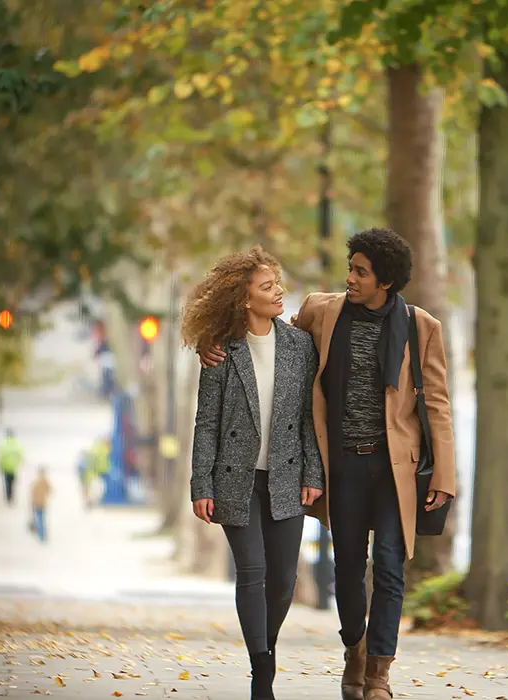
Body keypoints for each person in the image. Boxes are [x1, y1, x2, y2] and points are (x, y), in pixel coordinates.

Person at [199, 228, 456, 700]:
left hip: (396, 469)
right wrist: (212, 346)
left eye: (361, 271)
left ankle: (378, 673)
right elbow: (271, 346)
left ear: (387, 282)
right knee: (347, 568)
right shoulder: (322, 310)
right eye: (350, 268)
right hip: (343, 466)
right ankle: (354, 651)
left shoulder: (422, 327)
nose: (350, 278)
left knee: (390, 564)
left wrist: (445, 475)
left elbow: (437, 403)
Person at [184, 247, 324, 700]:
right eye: (267, 287)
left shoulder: (300, 346)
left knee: (284, 579)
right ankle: (261, 673)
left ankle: (266, 648)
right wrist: (199, 484)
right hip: (234, 478)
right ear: (244, 299)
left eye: (277, 283)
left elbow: (307, 416)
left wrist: (313, 472)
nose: (278, 291)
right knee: (253, 569)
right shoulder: (221, 351)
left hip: (287, 476)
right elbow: (206, 422)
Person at [0, 429, 24, 505]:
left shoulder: (3, 444)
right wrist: (20, 463)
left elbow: (0, 456)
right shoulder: (17, 444)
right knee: (12, 483)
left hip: (6, 467)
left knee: (7, 483)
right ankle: (11, 496)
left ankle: (8, 496)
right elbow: (21, 455)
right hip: (13, 468)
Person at [30, 466, 53, 542]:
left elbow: (32, 494)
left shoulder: (35, 482)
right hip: (42, 503)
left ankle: (41, 535)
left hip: (37, 504)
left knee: (39, 519)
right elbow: (50, 490)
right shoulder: (45, 482)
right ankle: (42, 534)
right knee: (41, 519)